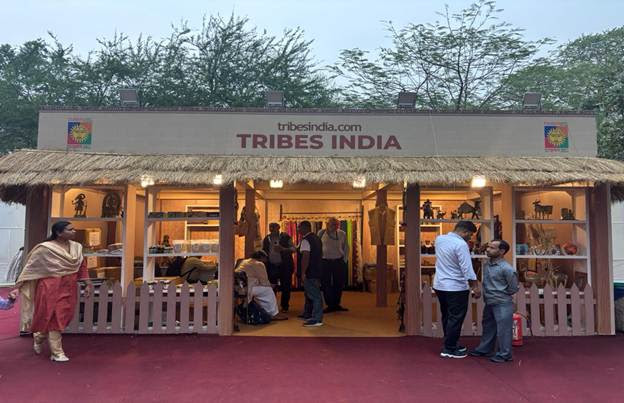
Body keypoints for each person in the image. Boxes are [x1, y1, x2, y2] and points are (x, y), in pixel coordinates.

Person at [13, 221, 91, 362]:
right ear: (59, 233)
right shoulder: (45, 249)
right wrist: (18, 288)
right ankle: (57, 352)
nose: (74, 231)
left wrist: (87, 284)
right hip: (49, 287)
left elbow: (82, 267)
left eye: (73, 229)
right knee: (54, 316)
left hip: (69, 287)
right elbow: (30, 268)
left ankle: (39, 337)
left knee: (62, 316)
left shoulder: (76, 248)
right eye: (70, 229)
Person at [433, 221, 481, 359]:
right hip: (456, 286)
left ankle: (450, 343)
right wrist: (475, 286)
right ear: (464, 232)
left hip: (440, 284)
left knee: (447, 316)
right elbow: (467, 267)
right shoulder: (461, 244)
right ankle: (449, 348)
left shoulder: (439, 239)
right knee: (456, 318)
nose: (470, 238)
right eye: (470, 235)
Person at [469, 240, 519, 363]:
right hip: (489, 301)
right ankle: (485, 349)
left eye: (492, 248)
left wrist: (501, 295)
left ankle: (505, 354)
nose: (488, 249)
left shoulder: (507, 269)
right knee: (488, 326)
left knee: (504, 330)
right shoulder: (487, 265)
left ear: (501, 251)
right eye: (488, 247)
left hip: (502, 303)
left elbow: (513, 288)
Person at [235, 250, 286, 320]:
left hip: (238, 286)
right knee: (268, 291)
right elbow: (264, 281)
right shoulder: (259, 264)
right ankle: (273, 313)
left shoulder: (244, 261)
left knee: (262, 291)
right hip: (247, 287)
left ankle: (263, 311)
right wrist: (272, 285)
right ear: (262, 257)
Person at [262, 222, 296, 312]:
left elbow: (294, 249)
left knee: (286, 286)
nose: (271, 229)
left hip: (285, 266)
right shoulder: (267, 239)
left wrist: (283, 249)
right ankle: (272, 306)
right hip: (271, 266)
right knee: (272, 287)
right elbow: (263, 251)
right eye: (270, 227)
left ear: (278, 228)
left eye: (273, 227)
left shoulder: (285, 237)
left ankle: (285, 306)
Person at [318, 217, 349, 313]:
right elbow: (318, 247)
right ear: (327, 224)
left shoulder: (342, 234)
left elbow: (346, 248)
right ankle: (330, 304)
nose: (335, 226)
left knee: (339, 283)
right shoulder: (321, 233)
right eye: (333, 224)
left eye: (336, 225)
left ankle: (336, 304)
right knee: (325, 283)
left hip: (338, 261)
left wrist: (344, 260)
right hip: (325, 262)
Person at [298, 220, 324, 327]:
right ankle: (310, 314)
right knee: (312, 293)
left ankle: (316, 319)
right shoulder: (317, 238)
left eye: (300, 227)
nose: (298, 230)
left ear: (305, 228)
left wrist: (303, 272)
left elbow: (306, 257)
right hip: (317, 269)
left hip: (310, 271)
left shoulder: (306, 240)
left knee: (315, 295)